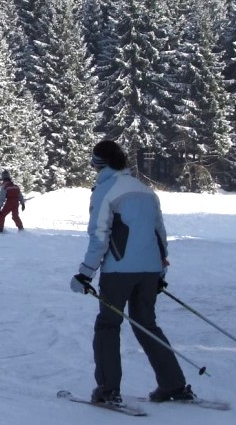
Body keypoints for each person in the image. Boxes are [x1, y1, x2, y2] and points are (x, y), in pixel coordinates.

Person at [69, 139, 193, 406]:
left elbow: (99, 236)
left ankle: (108, 390)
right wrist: (159, 272)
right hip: (150, 270)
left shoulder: (105, 191)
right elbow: (160, 234)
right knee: (146, 324)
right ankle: (174, 384)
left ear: (99, 164)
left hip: (119, 271)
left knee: (108, 326)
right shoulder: (146, 191)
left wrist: (85, 273)